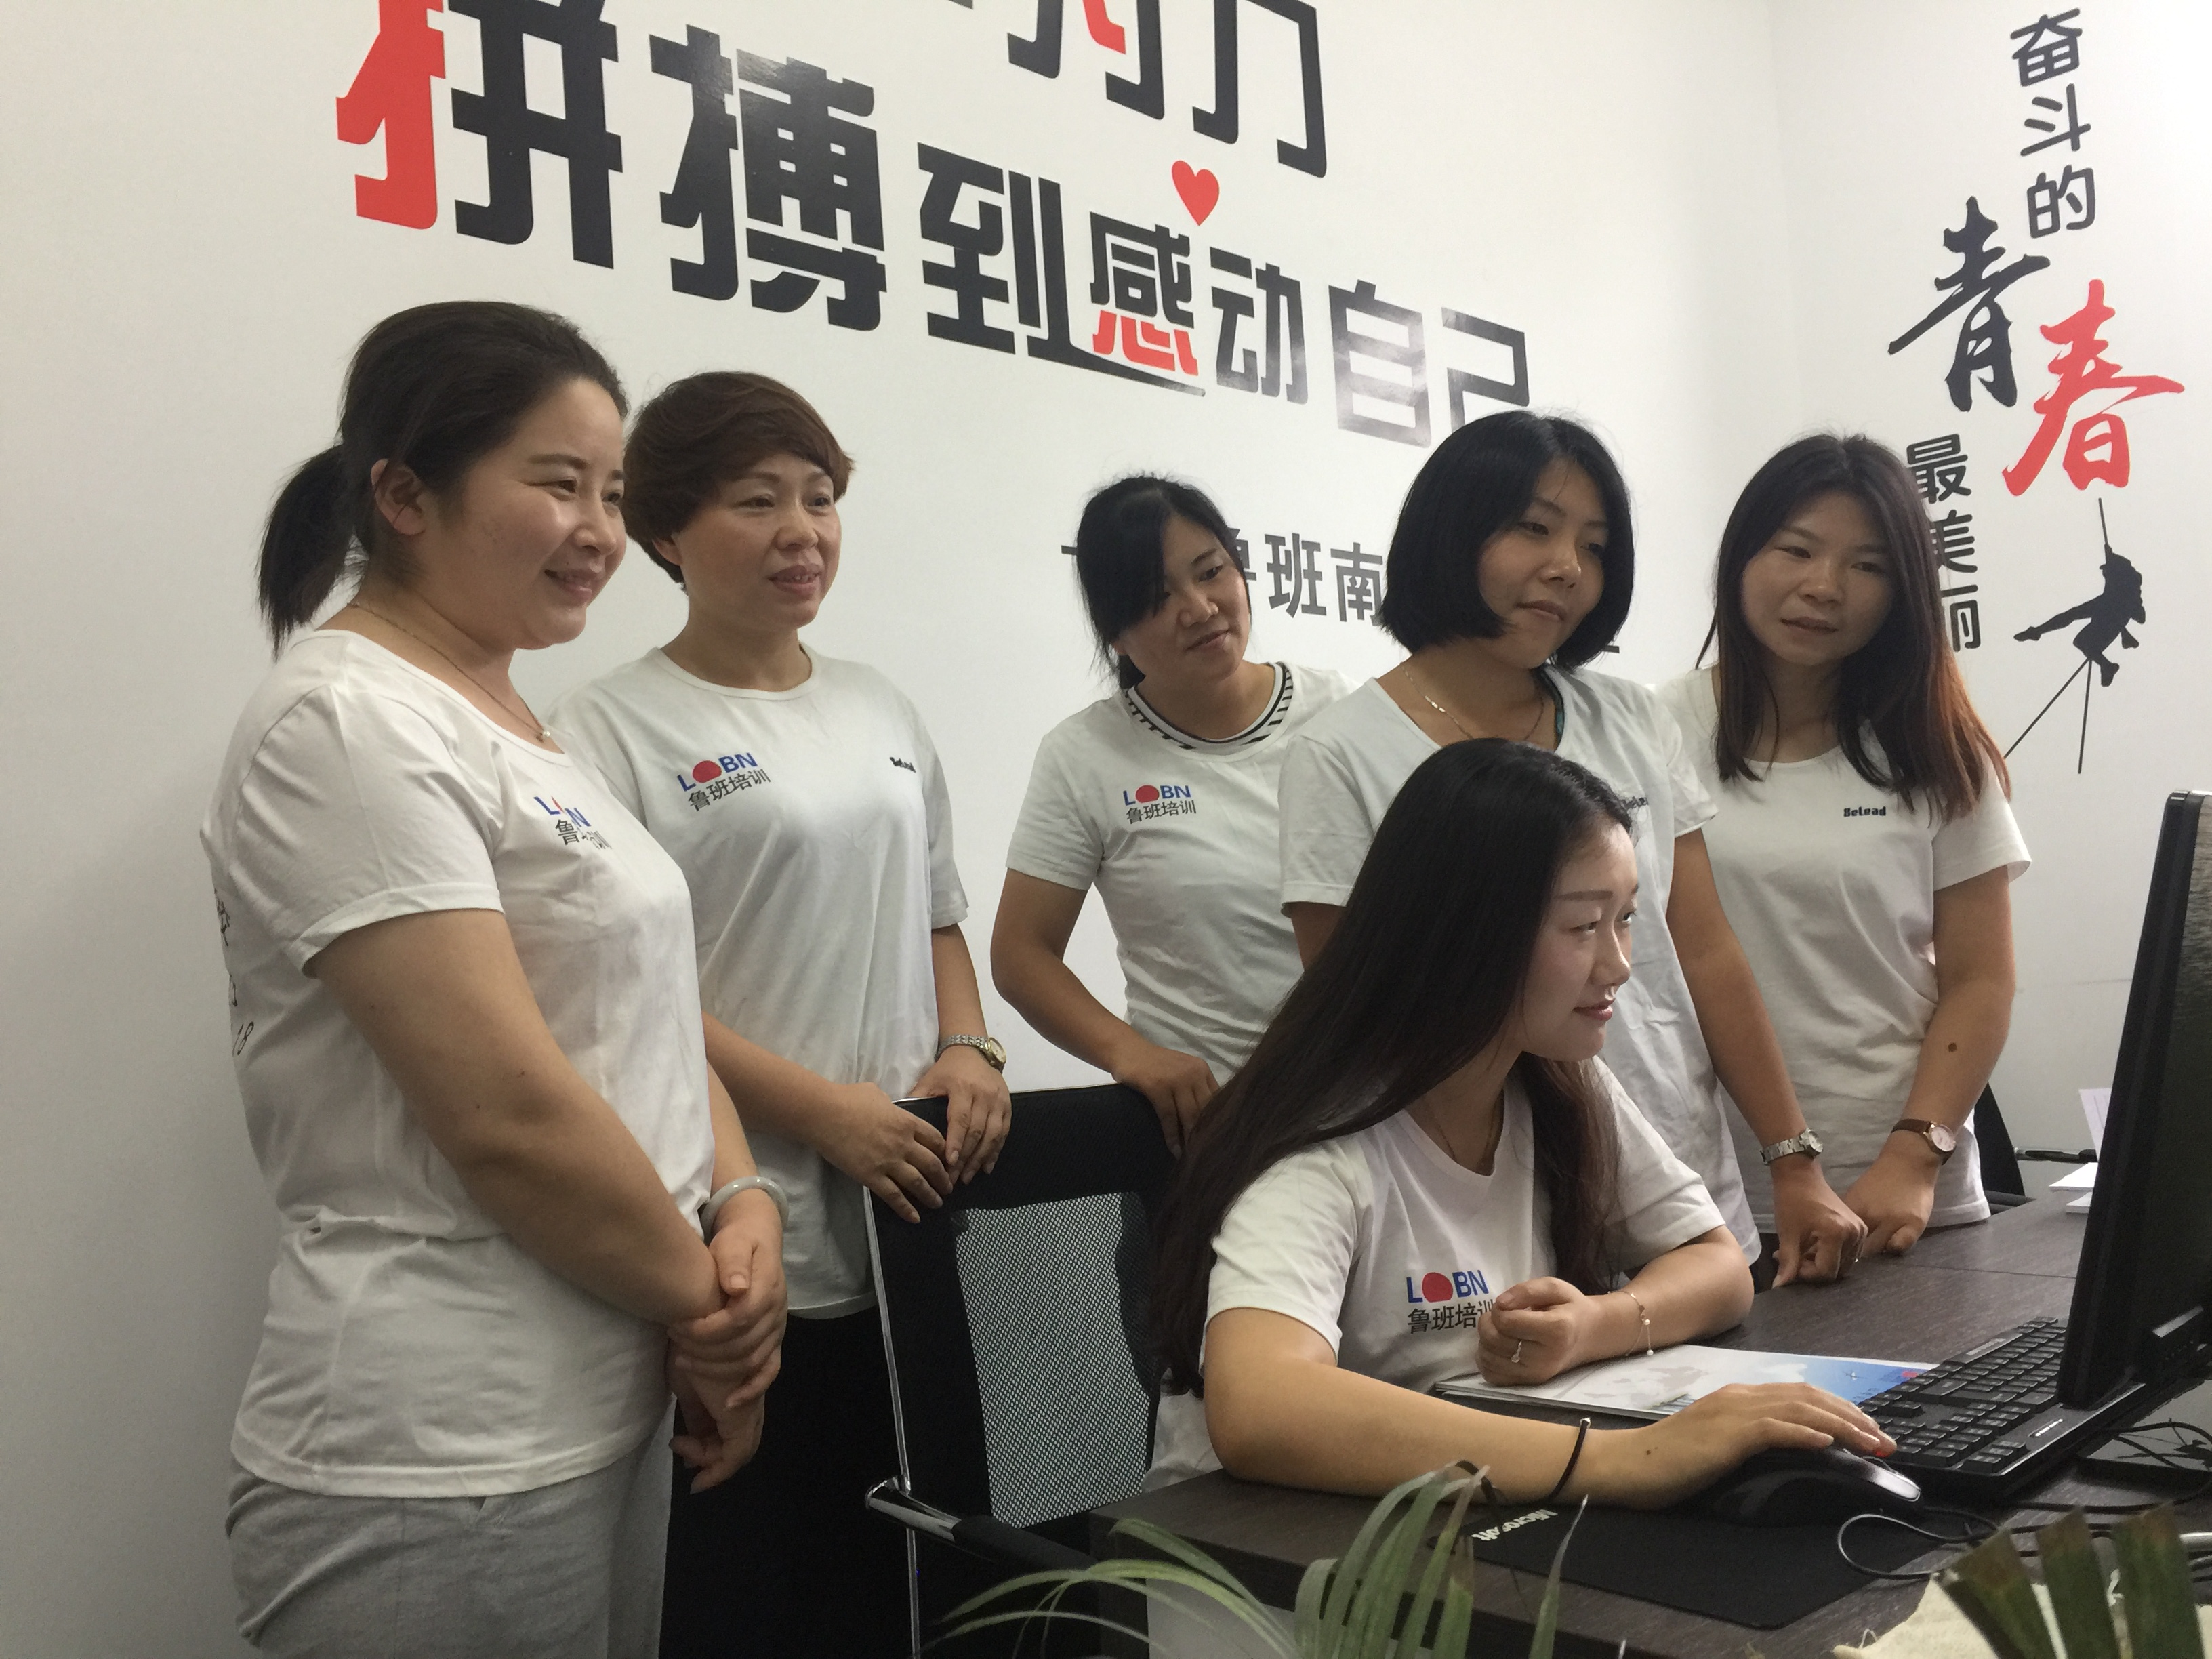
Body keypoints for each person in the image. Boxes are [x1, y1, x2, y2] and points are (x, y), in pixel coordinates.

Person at [206, 302, 786, 1659]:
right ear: (404, 495)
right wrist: (713, 1316)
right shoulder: (346, 720)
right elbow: (507, 1118)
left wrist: (744, 1198)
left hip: (596, 1403)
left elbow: (643, 1011)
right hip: (439, 1450)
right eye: (558, 482)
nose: (600, 531)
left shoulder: (516, 716)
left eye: (614, 492)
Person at [550, 371, 1011, 1658]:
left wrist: (970, 1047)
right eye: (756, 501)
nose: (800, 531)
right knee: (751, 1587)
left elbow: (937, 913)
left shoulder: (879, 703)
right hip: (740, 1221)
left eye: (818, 497)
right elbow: (627, 988)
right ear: (665, 530)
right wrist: (820, 1114)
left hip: (915, 1207)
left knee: (907, 1584)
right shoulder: (607, 728)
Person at [1147, 741, 1895, 1499]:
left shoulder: (1556, 1081)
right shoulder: (1320, 1145)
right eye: (1583, 927)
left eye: (1625, 919)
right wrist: (1624, 1461)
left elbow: (1719, 1266)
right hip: (1255, 1544)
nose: (1619, 965)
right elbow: (1261, 1407)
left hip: (1456, 1504)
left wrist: (1594, 1325)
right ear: (1468, 931)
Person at [1277, 410, 1868, 1287]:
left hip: (1681, 1191)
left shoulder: (1632, 718)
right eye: (1534, 529)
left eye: (1594, 546)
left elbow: (1704, 951)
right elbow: (1361, 1018)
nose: (1569, 568)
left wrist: (1792, 1158)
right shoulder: (1343, 752)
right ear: (1451, 531)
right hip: (1493, 1224)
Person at [1659, 434, 2028, 1254]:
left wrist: (1914, 1157)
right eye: (1796, 550)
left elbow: (1982, 979)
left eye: (1868, 566)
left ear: (1904, 593)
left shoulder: (1936, 746)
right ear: (1741, 555)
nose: (1824, 587)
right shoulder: (1655, 728)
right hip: (1709, 1197)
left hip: (1900, 1191)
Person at [992, 476, 1352, 1147]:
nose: (1200, 608)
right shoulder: (1085, 754)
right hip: (1212, 1134)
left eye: (1211, 572)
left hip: (1371, 1109)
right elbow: (1020, 955)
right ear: (1116, 634)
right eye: (1157, 599)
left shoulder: (1341, 714)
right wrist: (1130, 1053)